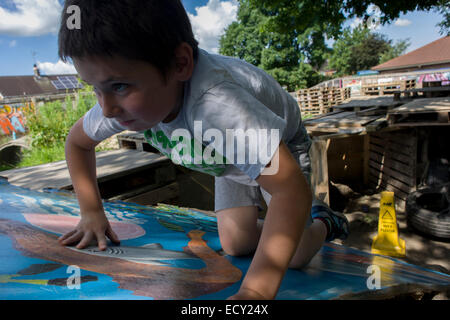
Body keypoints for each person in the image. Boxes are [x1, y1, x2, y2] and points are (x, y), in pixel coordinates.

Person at [57, 0, 348, 300]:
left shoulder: (216, 106)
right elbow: (77, 143)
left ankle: (324, 220)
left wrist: (255, 292)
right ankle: (290, 223)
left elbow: (289, 190)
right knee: (236, 243)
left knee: (297, 255)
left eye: (119, 86)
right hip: (230, 161)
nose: (106, 109)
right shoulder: (128, 100)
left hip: (279, 146)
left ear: (180, 64)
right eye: (94, 88)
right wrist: (91, 212)